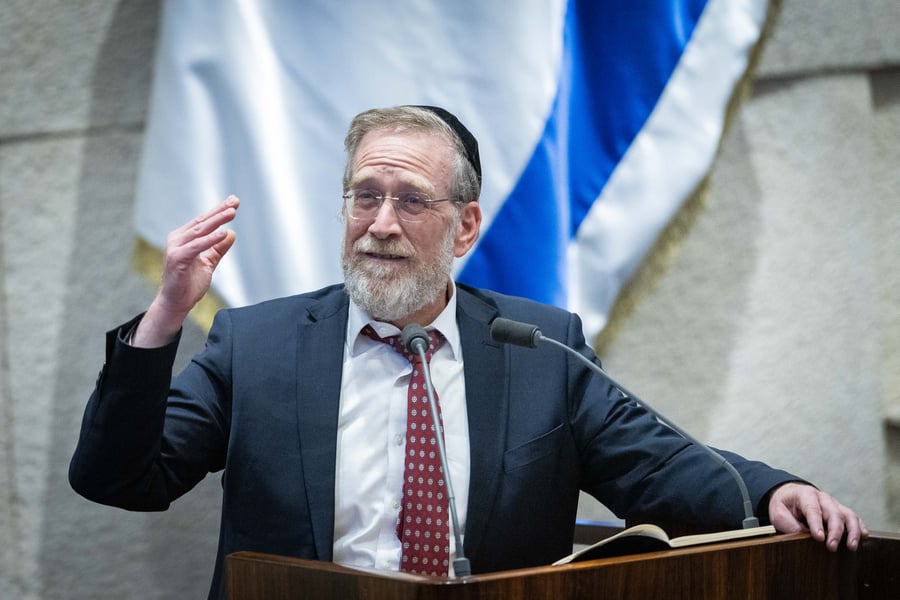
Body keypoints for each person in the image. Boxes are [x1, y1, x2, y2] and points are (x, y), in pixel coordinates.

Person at [70, 105, 867, 599]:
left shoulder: (538, 345)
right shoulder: (259, 343)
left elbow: (662, 469)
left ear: (466, 226)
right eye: (365, 196)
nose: (380, 223)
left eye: (411, 200)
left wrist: (769, 496)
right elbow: (120, 479)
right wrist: (166, 316)